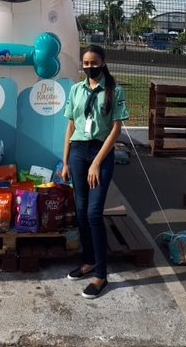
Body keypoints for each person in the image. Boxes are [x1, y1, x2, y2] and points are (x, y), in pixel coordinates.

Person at [62, 44, 129, 299]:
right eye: (86, 63)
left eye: (94, 62)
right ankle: (88, 261)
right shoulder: (76, 90)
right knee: (80, 212)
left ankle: (101, 275)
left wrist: (97, 162)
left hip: (100, 153)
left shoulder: (115, 90)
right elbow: (70, 126)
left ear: (103, 62)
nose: (89, 67)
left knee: (93, 213)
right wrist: (66, 161)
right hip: (78, 152)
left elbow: (115, 130)